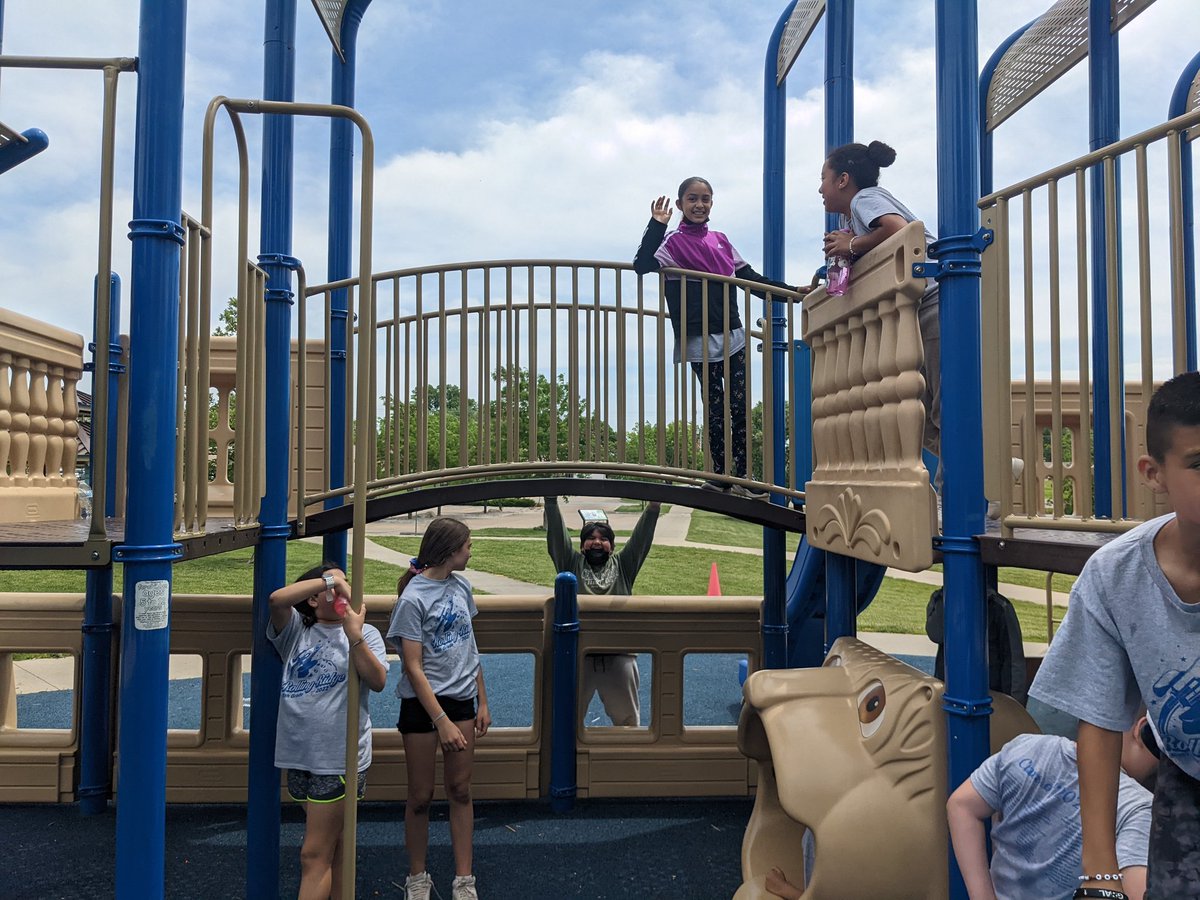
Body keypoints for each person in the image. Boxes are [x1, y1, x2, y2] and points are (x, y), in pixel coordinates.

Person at [1028, 371, 1200, 899]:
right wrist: (1099, 871)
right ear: (1155, 474)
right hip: (1186, 784)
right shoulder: (1116, 577)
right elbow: (1100, 725)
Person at [632, 176, 794, 497]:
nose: (699, 205)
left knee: (740, 405)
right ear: (680, 205)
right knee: (716, 406)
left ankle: (747, 476)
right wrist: (656, 225)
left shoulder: (721, 240)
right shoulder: (672, 243)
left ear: (712, 203)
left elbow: (751, 278)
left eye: (705, 199)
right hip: (698, 339)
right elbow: (641, 264)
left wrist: (792, 293)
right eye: (692, 199)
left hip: (732, 334)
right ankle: (721, 476)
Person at [817, 141, 942, 483]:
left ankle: (964, 497)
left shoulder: (864, 198)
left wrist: (851, 245)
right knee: (918, 409)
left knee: (940, 408)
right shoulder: (854, 217)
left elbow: (900, 230)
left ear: (843, 180)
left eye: (823, 178)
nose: (820, 188)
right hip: (919, 308)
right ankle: (991, 475)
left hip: (936, 300)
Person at [267, 563, 390, 900]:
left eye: (345, 582)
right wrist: (327, 579)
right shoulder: (296, 631)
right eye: (331, 586)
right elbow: (277, 600)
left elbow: (377, 680)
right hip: (299, 755)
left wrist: (355, 635)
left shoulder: (366, 634)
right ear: (311, 598)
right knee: (333, 846)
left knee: (313, 854)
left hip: (337, 759)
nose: (340, 589)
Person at [388, 517, 490, 900]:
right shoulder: (413, 598)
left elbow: (470, 647)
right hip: (424, 706)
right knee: (421, 795)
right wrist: (441, 721)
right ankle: (418, 876)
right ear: (450, 551)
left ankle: (464, 878)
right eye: (467, 545)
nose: (470, 551)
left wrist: (482, 700)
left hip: (462, 700)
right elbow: (412, 667)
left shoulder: (462, 587)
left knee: (460, 790)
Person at [947, 721, 1158, 900]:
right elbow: (1136, 891)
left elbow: (961, 805)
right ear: (1141, 729)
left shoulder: (1027, 747)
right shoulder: (1139, 807)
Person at [545, 495, 660, 726]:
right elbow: (557, 536)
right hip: (578, 656)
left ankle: (623, 759)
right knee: (565, 720)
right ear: (581, 545)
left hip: (619, 656)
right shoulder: (571, 563)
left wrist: (654, 506)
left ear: (613, 546)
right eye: (590, 538)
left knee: (627, 721)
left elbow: (641, 539)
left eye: (604, 538)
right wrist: (550, 500)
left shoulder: (624, 566)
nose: (597, 542)